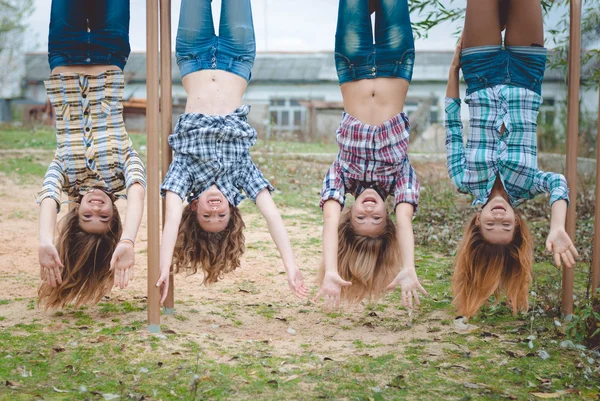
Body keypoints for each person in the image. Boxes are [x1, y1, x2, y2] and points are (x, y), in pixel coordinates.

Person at [156, 0, 308, 303]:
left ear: (194, 207)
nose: (214, 208)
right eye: (221, 214)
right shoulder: (241, 173)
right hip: (237, 58)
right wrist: (291, 266)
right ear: (231, 211)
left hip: (193, 55)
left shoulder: (183, 174)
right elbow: (272, 216)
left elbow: (171, 217)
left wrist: (162, 268)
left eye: (207, 215)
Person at [445, 0, 579, 318]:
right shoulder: (530, 185)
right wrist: (557, 226)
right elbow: (558, 184)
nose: (499, 217)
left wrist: (454, 70)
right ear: (517, 224)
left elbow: (451, 124)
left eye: (491, 224)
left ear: (476, 222)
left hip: (479, 72)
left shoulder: (463, 179)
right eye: (505, 225)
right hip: (527, 73)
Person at [314, 0, 427, 312]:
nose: (367, 211)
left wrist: (333, 269)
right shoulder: (401, 180)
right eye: (375, 219)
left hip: (352, 65)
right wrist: (408, 265)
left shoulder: (341, 177)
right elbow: (405, 220)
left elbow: (328, 219)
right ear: (386, 217)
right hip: (396, 61)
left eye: (360, 219)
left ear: (348, 215)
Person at [37, 0, 146, 309]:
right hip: (109, 50)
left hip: (64, 50)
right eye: (104, 216)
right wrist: (128, 240)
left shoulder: (64, 173)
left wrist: (46, 240)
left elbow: (48, 199)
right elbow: (138, 195)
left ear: (74, 215)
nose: (96, 208)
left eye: (87, 216)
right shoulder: (124, 172)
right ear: (114, 215)